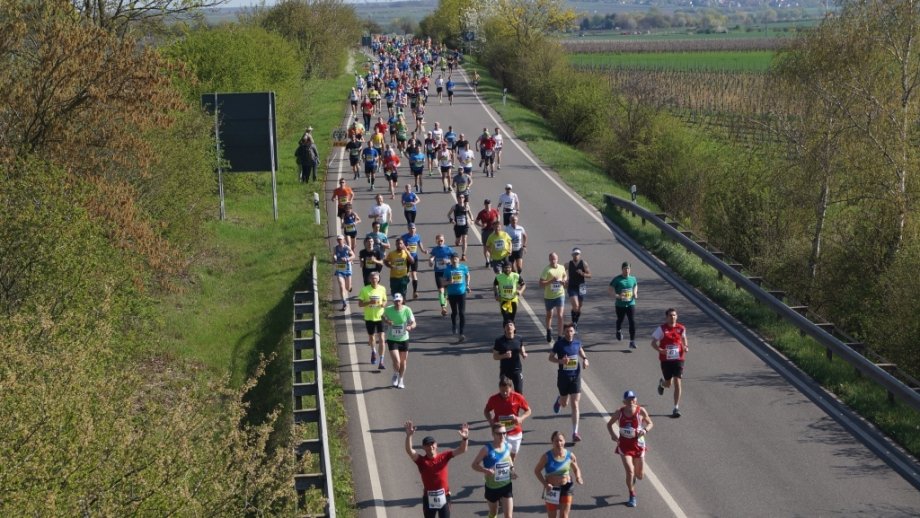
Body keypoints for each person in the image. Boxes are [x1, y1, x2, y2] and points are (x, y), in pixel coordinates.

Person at [405, 420, 470, 518]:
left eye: (432, 444)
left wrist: (465, 438)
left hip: (444, 496)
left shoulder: (444, 456)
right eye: (427, 444)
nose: (430, 446)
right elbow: (409, 451)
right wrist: (409, 435)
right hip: (429, 498)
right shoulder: (421, 461)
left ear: (436, 445)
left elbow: (462, 449)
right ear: (423, 447)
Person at [606, 390, 653, 508]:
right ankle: (632, 495)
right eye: (629, 399)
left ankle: (633, 479)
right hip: (624, 445)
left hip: (638, 445)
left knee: (640, 475)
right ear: (624, 401)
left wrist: (645, 430)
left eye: (633, 399)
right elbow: (609, 424)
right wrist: (612, 435)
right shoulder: (619, 412)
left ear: (636, 400)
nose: (631, 401)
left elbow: (650, 423)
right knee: (630, 471)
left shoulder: (640, 411)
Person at [549, 324, 588, 442]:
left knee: (575, 404)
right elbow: (550, 358)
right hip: (563, 377)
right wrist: (561, 361)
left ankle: (575, 432)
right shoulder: (559, 344)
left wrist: (585, 359)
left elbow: (581, 351)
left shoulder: (577, 343)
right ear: (564, 332)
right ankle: (559, 400)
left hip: (575, 377)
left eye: (571, 331)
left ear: (574, 332)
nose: (569, 333)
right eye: (566, 331)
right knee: (564, 403)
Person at [534, 431, 584, 518]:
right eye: (556, 441)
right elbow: (537, 471)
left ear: (564, 441)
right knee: (552, 516)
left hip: (566, 487)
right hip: (552, 489)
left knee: (564, 516)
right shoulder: (546, 457)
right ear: (552, 442)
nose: (559, 443)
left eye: (561, 440)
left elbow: (576, 469)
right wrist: (545, 484)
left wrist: (578, 477)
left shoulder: (570, 455)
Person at [471, 424, 516, 518]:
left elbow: (509, 460)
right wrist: (486, 470)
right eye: (499, 433)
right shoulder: (486, 449)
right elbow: (474, 465)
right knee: (493, 513)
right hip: (492, 488)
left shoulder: (508, 446)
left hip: (506, 486)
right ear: (493, 434)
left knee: (509, 516)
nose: (502, 436)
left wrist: (512, 469)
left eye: (504, 433)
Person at [484, 376, 532, 462]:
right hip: (500, 433)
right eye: (502, 391)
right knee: (503, 456)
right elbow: (486, 411)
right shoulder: (493, 399)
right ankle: (505, 472)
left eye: (507, 391)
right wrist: (491, 422)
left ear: (511, 388)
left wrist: (521, 418)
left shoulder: (518, 397)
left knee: (512, 457)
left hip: (516, 432)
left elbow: (528, 410)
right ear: (499, 388)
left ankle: (509, 470)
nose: (505, 393)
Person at [651, 308, 688, 418]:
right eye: (670, 315)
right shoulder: (661, 329)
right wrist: (660, 350)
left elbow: (684, 338)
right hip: (666, 360)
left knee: (677, 381)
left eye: (674, 315)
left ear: (677, 316)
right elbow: (653, 343)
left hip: (678, 359)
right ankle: (662, 384)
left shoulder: (681, 328)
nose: (673, 317)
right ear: (666, 317)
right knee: (668, 384)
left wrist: (686, 346)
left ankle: (676, 408)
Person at [383, 293, 416, 388]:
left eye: (399, 300)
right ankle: (395, 374)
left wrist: (410, 327)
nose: (397, 302)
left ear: (402, 301)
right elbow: (382, 316)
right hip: (392, 339)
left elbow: (413, 322)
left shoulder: (407, 310)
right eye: (396, 301)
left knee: (403, 362)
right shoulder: (388, 309)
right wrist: (387, 321)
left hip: (404, 339)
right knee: (397, 361)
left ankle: (401, 380)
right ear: (393, 301)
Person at [358, 272, 387, 369]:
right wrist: (369, 302)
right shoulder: (365, 290)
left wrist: (383, 304)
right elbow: (360, 304)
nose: (374, 280)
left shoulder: (382, 288)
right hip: (369, 317)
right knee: (372, 338)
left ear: (379, 279)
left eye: (376, 278)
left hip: (380, 317)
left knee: (382, 339)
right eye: (372, 278)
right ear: (369, 279)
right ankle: (373, 351)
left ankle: (381, 361)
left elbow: (385, 300)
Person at [609, 261, 638, 348]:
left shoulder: (633, 278)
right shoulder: (617, 279)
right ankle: (618, 331)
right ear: (622, 269)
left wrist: (635, 293)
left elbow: (635, 285)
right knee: (620, 320)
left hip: (630, 303)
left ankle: (632, 341)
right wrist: (617, 296)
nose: (627, 270)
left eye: (628, 268)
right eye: (625, 269)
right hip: (620, 305)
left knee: (632, 321)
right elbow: (610, 290)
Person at [539, 253, 567, 342]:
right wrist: (551, 281)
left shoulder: (561, 267)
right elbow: (540, 284)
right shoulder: (547, 270)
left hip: (560, 295)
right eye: (551, 259)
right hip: (549, 296)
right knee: (549, 315)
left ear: (557, 259)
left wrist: (564, 281)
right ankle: (548, 330)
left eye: (554, 259)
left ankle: (559, 336)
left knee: (560, 315)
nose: (553, 261)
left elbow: (565, 276)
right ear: (549, 260)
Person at [492, 322, 527, 393]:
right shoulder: (499, 341)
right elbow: (495, 356)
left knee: (519, 392)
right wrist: (504, 355)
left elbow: (521, 346)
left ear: (514, 328)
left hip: (516, 369)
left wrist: (523, 353)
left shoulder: (519, 338)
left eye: (511, 325)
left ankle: (519, 404)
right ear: (504, 329)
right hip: (505, 371)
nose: (509, 327)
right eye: (507, 325)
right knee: (505, 392)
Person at [442, 253, 470, 343]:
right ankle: (454, 325)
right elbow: (443, 283)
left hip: (461, 293)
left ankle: (461, 333)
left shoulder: (463, 268)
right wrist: (449, 282)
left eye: (456, 258)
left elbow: (468, 275)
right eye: (453, 258)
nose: (455, 260)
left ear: (458, 259)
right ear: (451, 260)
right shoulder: (447, 270)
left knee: (462, 313)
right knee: (454, 312)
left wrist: (468, 285)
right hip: (452, 294)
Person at [428, 234, 455, 316]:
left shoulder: (448, 249)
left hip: (447, 272)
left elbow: (455, 259)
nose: (440, 242)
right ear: (436, 241)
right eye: (438, 240)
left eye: (441, 240)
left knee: (446, 291)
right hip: (438, 272)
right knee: (441, 290)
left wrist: (448, 261)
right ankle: (443, 308)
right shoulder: (435, 249)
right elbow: (431, 258)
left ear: (444, 240)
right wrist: (431, 260)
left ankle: (444, 303)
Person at [401, 223, 428, 299]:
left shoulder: (417, 236)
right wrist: (405, 248)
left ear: (415, 229)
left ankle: (415, 291)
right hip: (406, 258)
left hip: (414, 258)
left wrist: (423, 250)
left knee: (414, 274)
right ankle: (405, 289)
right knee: (406, 275)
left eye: (413, 229)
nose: (412, 230)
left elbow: (419, 243)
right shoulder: (404, 237)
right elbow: (400, 245)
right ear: (408, 229)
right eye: (410, 229)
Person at [566, 248, 592, 328]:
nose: (576, 256)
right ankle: (574, 323)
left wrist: (583, 273)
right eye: (575, 254)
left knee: (579, 306)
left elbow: (590, 275)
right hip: (572, 286)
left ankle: (575, 321)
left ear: (580, 255)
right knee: (576, 305)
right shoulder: (568, 264)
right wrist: (565, 279)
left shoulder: (584, 263)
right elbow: (562, 272)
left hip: (581, 286)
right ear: (572, 255)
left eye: (577, 254)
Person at [333, 235, 355, 310]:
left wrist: (347, 259)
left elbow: (353, 256)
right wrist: (334, 258)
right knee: (342, 287)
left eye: (341, 239)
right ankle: (344, 303)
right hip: (339, 269)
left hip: (347, 269)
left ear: (344, 240)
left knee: (347, 288)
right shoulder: (335, 248)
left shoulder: (347, 248)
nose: (339, 241)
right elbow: (333, 258)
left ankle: (350, 287)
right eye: (338, 240)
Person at [447, 193, 473, 260]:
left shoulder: (466, 206)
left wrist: (472, 220)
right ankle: (458, 240)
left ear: (464, 199)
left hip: (465, 226)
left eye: (462, 197)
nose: (461, 199)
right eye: (459, 197)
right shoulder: (454, 207)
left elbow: (471, 214)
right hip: (457, 226)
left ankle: (463, 255)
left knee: (465, 239)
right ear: (457, 199)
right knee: (457, 242)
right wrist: (451, 220)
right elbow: (448, 214)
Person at [476, 199, 500, 267]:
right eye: (486, 204)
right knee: (485, 247)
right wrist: (481, 225)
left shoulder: (494, 211)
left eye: (489, 204)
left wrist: (497, 223)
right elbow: (476, 222)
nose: (487, 205)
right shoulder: (481, 213)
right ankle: (487, 261)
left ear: (490, 204)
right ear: (484, 204)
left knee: (493, 246)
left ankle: (493, 258)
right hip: (485, 232)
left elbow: (498, 216)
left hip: (493, 231)